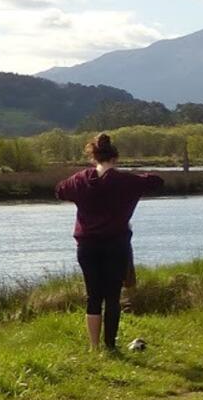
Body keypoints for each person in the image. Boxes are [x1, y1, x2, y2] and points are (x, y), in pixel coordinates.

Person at [54, 134, 164, 353]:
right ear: (115, 158)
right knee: (112, 296)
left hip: (87, 246)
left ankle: (94, 347)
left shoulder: (79, 180)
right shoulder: (125, 182)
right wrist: (133, 178)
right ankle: (110, 346)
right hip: (116, 244)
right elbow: (156, 182)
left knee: (93, 296)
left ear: (93, 157)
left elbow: (59, 190)